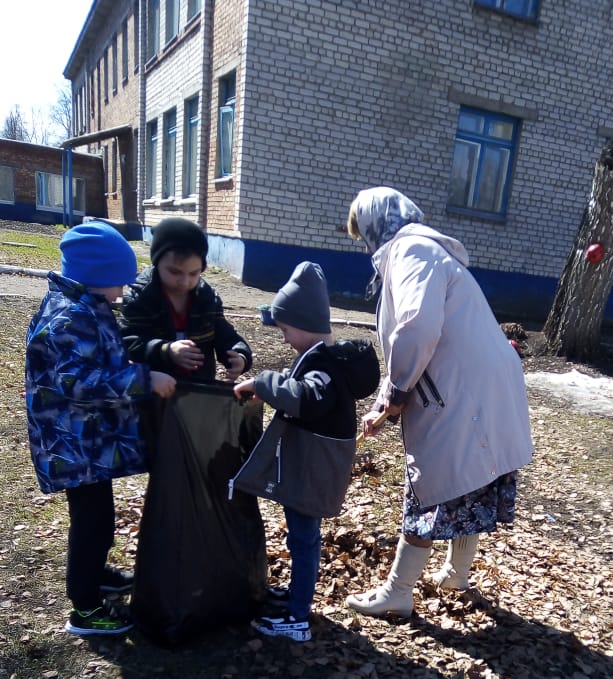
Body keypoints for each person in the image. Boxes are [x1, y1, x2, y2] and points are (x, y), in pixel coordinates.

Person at [343, 186, 534, 617]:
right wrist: (383, 402)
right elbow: (411, 343)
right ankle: (455, 574)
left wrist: (396, 395)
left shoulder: (411, 251)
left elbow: (416, 328)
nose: (365, 244)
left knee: (432, 485)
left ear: (376, 225)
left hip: (459, 393)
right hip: (479, 386)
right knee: (471, 475)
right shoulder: (426, 250)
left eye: (363, 234)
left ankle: (399, 591)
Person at [25, 221, 176, 636]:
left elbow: (100, 360)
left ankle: (94, 574)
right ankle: (86, 608)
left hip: (85, 441)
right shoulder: (69, 317)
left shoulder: (86, 305)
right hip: (72, 443)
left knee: (97, 518)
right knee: (92, 524)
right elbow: (79, 383)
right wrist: (143, 380)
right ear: (96, 277)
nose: (122, 291)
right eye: (119, 282)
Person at [232, 261, 380, 641]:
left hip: (313, 472)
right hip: (312, 468)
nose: (284, 339)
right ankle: (297, 596)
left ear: (303, 324)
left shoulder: (323, 367)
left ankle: (297, 618)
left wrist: (263, 383)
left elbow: (305, 399)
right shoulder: (322, 361)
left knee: (303, 539)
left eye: (285, 330)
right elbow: (300, 388)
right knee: (301, 538)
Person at [119, 217, 251, 382]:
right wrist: (166, 350)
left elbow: (224, 333)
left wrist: (240, 355)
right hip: (156, 386)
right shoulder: (140, 298)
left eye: (193, 273)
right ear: (157, 262)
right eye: (175, 272)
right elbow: (128, 342)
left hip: (198, 385)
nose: (184, 281)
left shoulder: (207, 298)